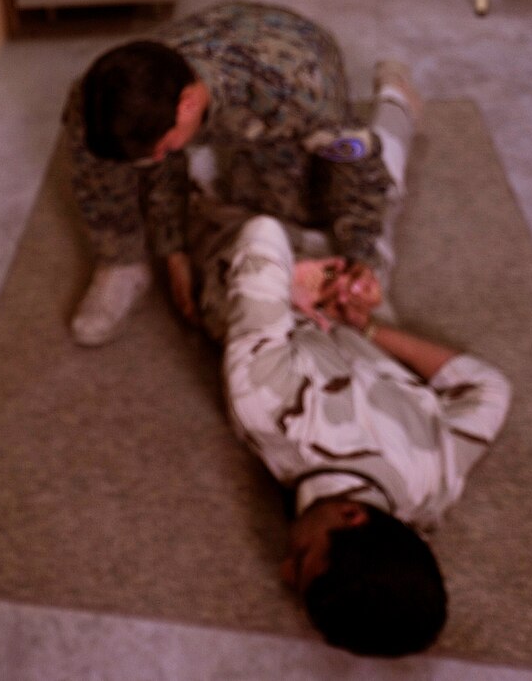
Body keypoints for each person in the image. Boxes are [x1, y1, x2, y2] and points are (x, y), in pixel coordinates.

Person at [191, 209, 512, 656]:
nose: (283, 568)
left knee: (353, 163)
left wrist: (309, 296)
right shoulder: (268, 409)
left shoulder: (434, 482)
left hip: (292, 266)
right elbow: (261, 231)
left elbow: (489, 389)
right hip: (303, 252)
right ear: (351, 517)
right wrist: (366, 324)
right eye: (301, 558)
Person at [62, 0, 415, 346]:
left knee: (298, 214)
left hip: (294, 60)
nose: (153, 163)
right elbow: (160, 158)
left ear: (187, 105)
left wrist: (363, 261)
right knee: (95, 130)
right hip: (221, 51)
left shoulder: (297, 96)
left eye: (163, 149)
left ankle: (395, 100)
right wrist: (174, 250)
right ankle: (121, 264)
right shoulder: (117, 88)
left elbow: (361, 169)